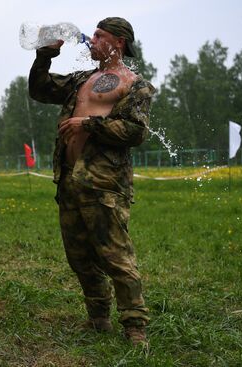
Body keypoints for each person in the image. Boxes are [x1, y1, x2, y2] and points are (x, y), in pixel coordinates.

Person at [28, 17, 155, 346]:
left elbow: (135, 131)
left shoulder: (134, 84)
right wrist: (44, 55)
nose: (92, 39)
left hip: (104, 183)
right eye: (93, 34)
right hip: (70, 180)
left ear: (119, 42)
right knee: (80, 256)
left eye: (100, 35)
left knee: (115, 256)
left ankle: (135, 326)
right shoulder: (83, 78)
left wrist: (89, 123)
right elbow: (40, 90)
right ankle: (98, 318)